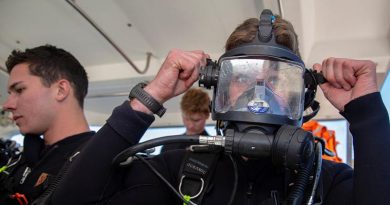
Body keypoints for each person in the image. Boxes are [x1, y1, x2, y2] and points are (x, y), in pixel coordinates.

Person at [51, 11, 390, 205]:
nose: (259, 93)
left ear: (301, 97)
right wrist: (151, 95)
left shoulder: (322, 182)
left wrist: (368, 117)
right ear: (219, 86)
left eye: (276, 80)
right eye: (243, 77)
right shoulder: (175, 169)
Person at [0, 45, 96, 204]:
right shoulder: (22, 160)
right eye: (10, 94)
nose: (7, 105)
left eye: (19, 89)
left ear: (60, 90)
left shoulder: (97, 164)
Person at [161, 88, 210, 153]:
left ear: (207, 115)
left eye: (196, 120)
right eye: (186, 119)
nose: (190, 126)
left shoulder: (214, 147)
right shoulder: (169, 146)